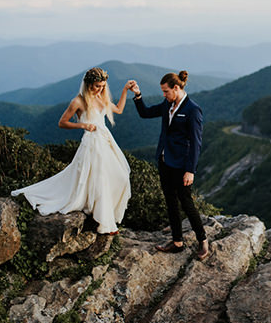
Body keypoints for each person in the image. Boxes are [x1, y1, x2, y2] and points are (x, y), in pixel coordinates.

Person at [11, 67, 132, 235]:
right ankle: (105, 223)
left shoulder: (101, 98)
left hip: (105, 140)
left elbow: (118, 109)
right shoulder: (78, 101)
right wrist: (82, 125)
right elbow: (62, 122)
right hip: (91, 143)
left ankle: (103, 214)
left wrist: (125, 90)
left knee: (120, 176)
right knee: (100, 178)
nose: (100, 89)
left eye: (103, 86)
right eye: (97, 86)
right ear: (88, 84)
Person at [127, 71, 209, 260]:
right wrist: (137, 95)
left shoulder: (192, 110)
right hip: (164, 161)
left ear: (176, 88)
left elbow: (196, 143)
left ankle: (203, 241)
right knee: (170, 202)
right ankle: (177, 241)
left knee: (187, 203)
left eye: (166, 91)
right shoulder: (167, 104)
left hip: (182, 165)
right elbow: (145, 113)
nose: (164, 95)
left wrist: (191, 170)